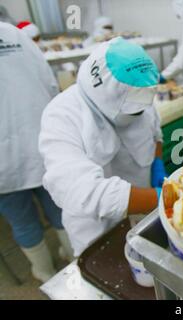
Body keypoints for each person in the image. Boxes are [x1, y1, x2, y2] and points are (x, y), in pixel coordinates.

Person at [39, 37, 167, 257]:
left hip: (144, 211)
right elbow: (82, 192)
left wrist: (157, 163)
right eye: (133, 111)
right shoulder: (61, 116)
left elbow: (155, 132)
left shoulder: (138, 92)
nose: (139, 114)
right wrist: (163, 198)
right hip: (96, 229)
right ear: (108, 100)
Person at [0, 22, 72, 282]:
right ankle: (74, 258)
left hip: (3, 167)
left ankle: (44, 272)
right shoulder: (16, 34)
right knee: (58, 208)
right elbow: (51, 85)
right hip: (41, 144)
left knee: (22, 222)